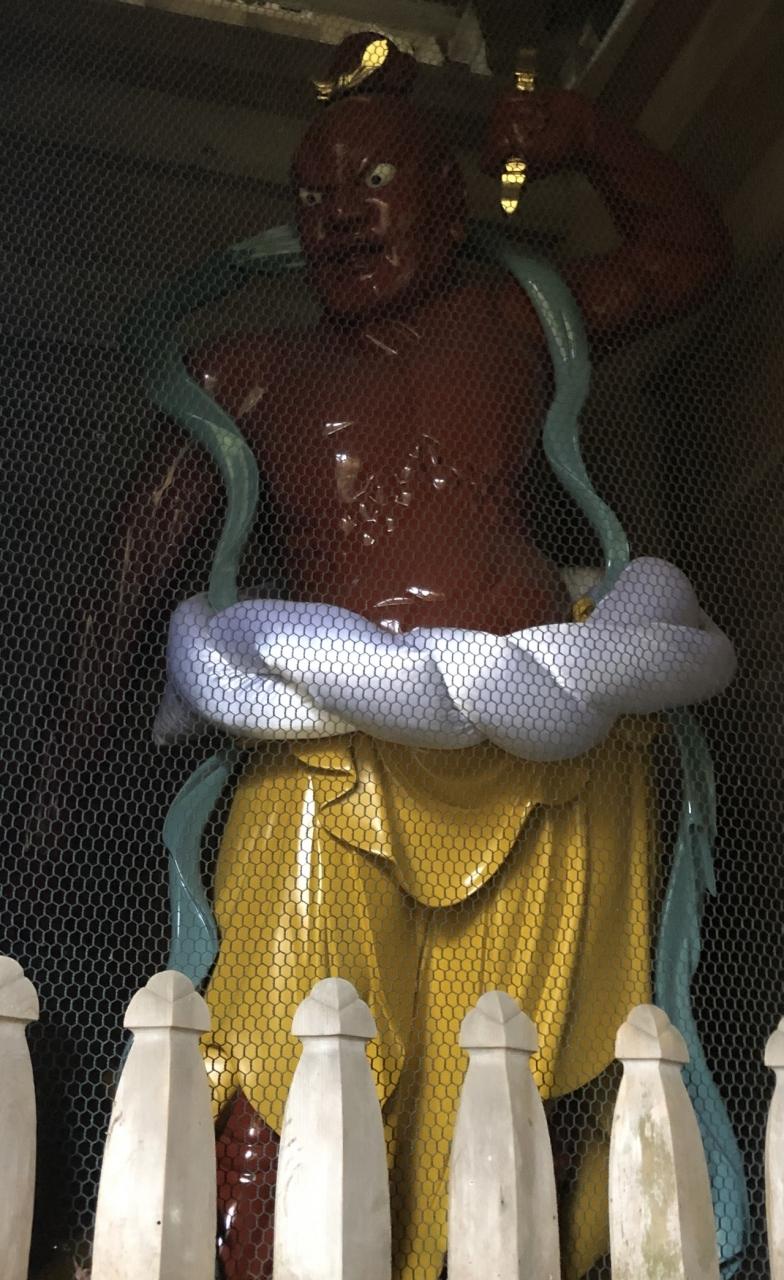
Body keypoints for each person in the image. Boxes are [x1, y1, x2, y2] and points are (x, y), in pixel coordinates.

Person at [123, 33, 731, 1279]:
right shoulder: (249, 370)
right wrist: (64, 755)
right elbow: (130, 568)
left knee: (512, 1064)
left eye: (375, 184)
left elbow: (688, 257)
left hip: (541, 731)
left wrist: (589, 135)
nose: (341, 216)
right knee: (276, 1045)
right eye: (313, 196)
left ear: (449, 205)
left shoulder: (517, 318)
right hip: (328, 730)